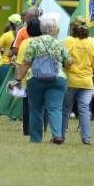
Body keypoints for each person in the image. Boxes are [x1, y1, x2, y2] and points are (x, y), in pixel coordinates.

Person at [12, 13, 71, 144]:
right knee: (55, 108)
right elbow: (69, 62)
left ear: (41, 28)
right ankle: (57, 135)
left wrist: (18, 79)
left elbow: (26, 63)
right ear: (54, 29)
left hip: (36, 79)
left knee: (35, 109)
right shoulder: (59, 43)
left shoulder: (34, 43)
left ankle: (36, 138)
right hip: (58, 78)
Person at [62, 18, 94, 144]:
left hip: (70, 81)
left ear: (73, 27)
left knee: (65, 110)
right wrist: (93, 84)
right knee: (84, 110)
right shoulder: (92, 42)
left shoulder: (68, 41)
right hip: (87, 82)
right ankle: (87, 138)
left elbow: (62, 60)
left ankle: (60, 136)